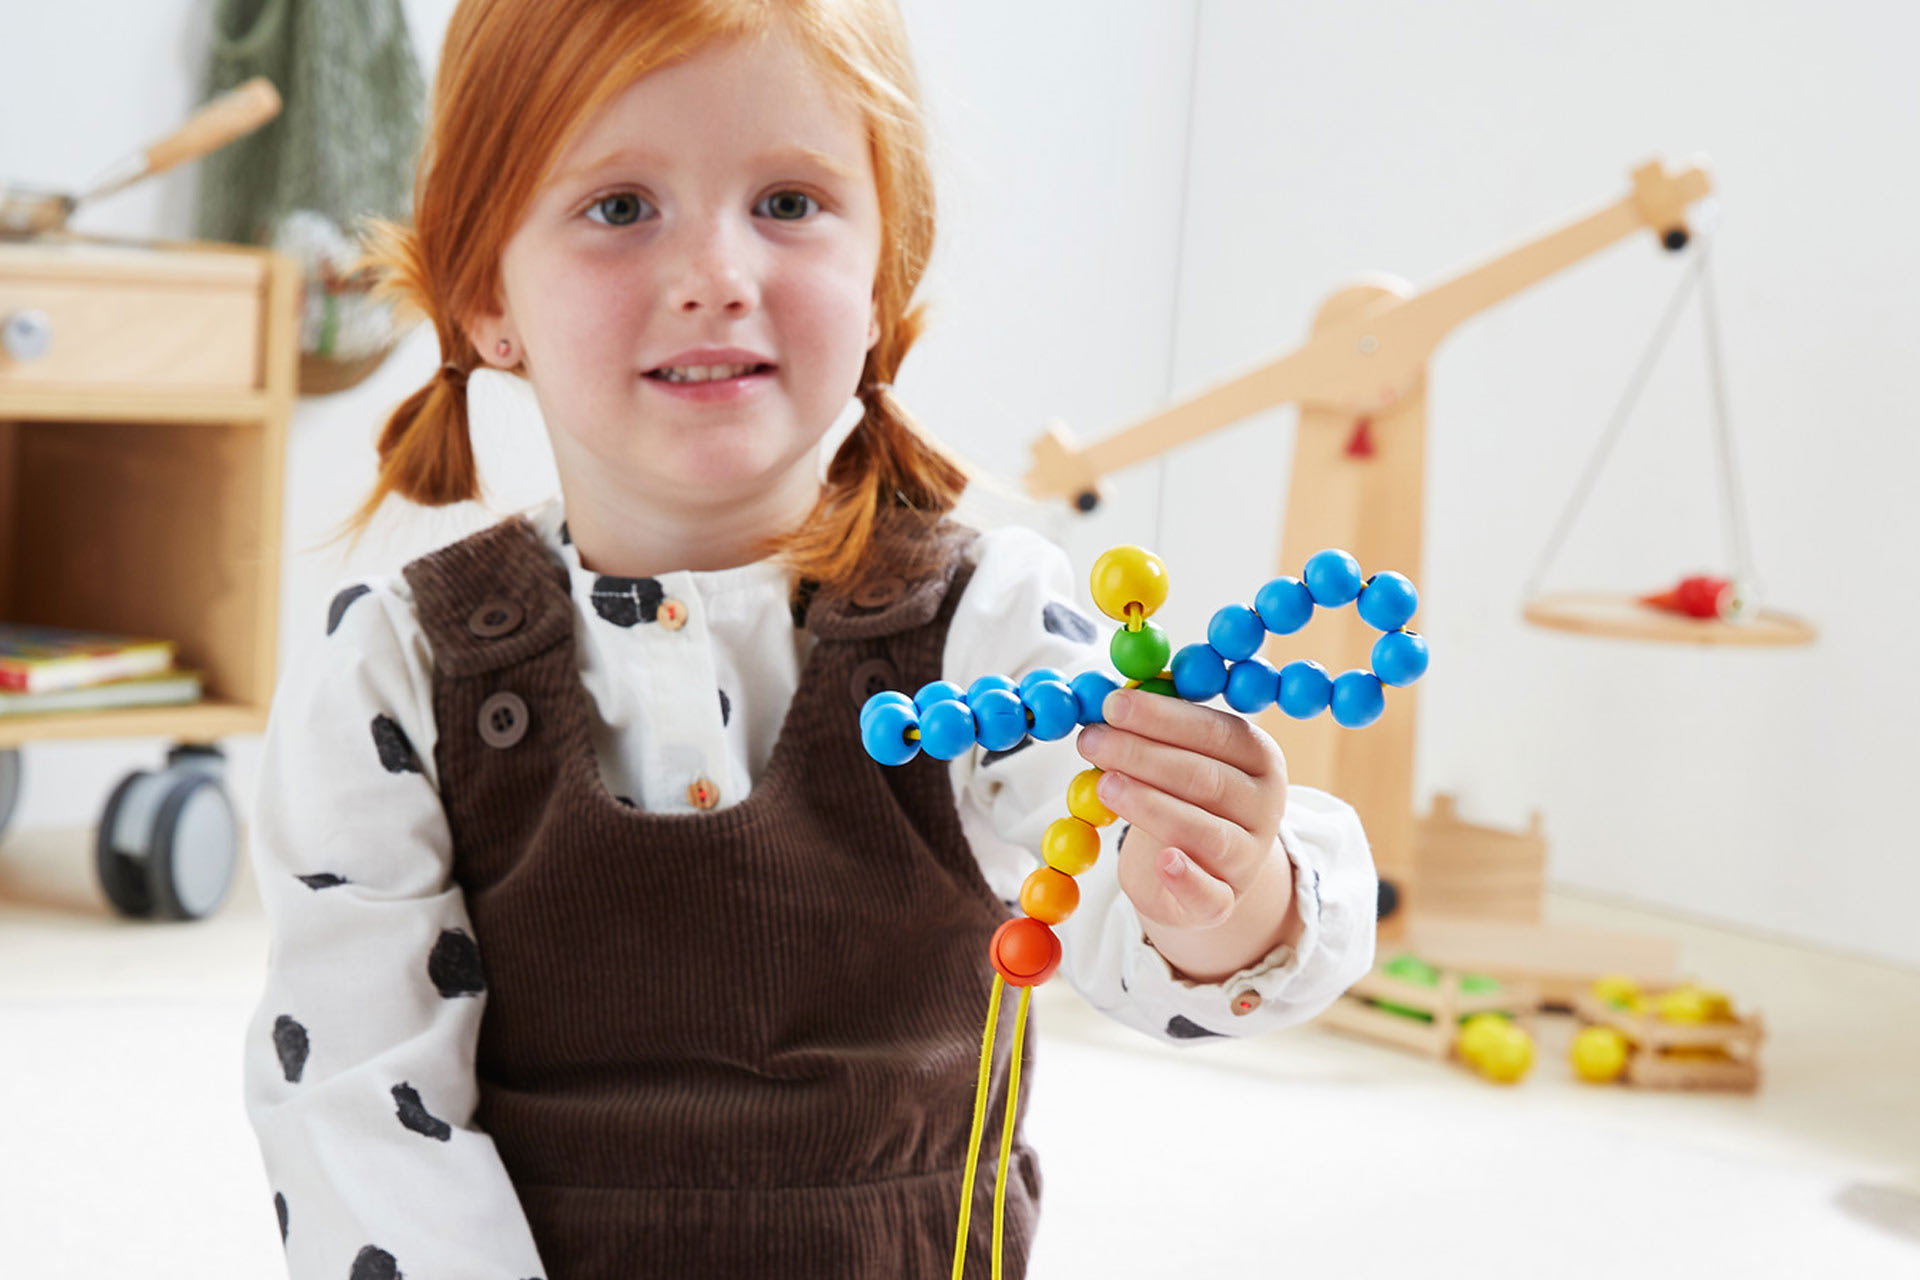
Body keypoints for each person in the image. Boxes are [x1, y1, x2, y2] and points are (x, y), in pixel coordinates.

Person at [241, 2, 1377, 1277]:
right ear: (482, 291)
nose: (717, 273)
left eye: (787, 202)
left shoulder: (988, 623)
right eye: (620, 207)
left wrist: (1229, 895)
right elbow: (359, 1107)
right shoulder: (396, 668)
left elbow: (1141, 924)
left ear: (886, 273)